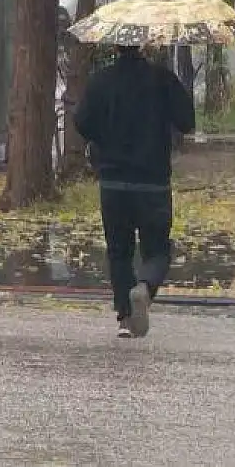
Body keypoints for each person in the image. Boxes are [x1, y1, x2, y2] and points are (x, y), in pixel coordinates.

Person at [73, 45, 195, 338]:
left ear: (116, 46)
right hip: (153, 181)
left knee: (119, 251)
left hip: (113, 181)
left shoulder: (101, 80)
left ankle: (126, 318)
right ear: (143, 47)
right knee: (157, 248)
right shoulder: (162, 79)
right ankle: (145, 286)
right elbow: (187, 123)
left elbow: (82, 122)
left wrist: (105, 137)